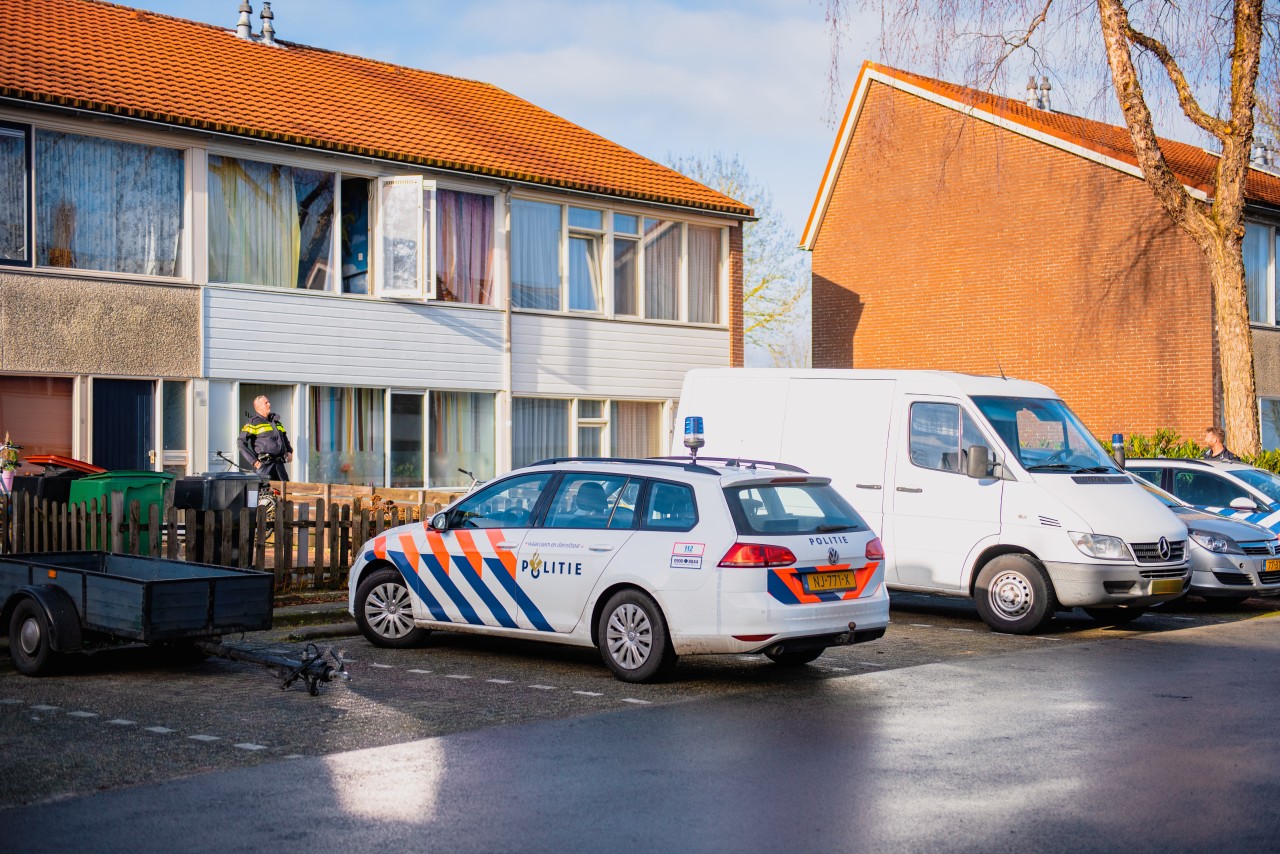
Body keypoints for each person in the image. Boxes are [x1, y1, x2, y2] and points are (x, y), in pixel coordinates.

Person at [238, 395, 293, 481]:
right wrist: (254, 461)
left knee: (285, 490)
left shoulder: (276, 422)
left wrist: (289, 451)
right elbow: (241, 442)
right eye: (266, 403)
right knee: (261, 491)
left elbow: (284, 438)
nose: (269, 404)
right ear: (259, 407)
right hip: (265, 465)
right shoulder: (253, 422)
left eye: (268, 402)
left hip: (279, 464)